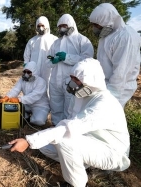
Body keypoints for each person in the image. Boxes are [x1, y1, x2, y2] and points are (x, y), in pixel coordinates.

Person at [9, 58, 130, 187]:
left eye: (76, 79)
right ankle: (81, 163)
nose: (72, 83)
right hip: (90, 142)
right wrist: (38, 140)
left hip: (112, 152)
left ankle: (76, 184)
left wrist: (29, 141)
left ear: (91, 80)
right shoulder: (84, 97)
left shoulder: (104, 103)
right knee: (45, 145)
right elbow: (70, 121)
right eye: (72, 78)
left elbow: (69, 128)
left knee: (64, 140)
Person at [89, 3, 141, 108]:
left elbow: (121, 73)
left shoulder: (126, 37)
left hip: (118, 89)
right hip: (105, 85)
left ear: (108, 21)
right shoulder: (106, 35)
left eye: (97, 25)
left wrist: (109, 96)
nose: (95, 28)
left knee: (109, 118)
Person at [47, 14, 94, 126]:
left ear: (71, 25)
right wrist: (53, 61)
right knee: (55, 105)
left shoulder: (82, 40)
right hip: (55, 79)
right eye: (59, 26)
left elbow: (87, 59)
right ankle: (55, 127)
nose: (61, 28)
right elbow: (48, 60)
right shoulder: (56, 43)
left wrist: (67, 57)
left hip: (71, 80)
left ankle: (67, 130)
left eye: (64, 25)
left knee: (70, 106)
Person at [0, 61, 49, 126]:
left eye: (29, 72)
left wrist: (19, 99)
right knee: (13, 110)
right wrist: (6, 97)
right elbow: (15, 90)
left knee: (38, 121)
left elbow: (34, 96)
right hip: (27, 104)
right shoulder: (22, 80)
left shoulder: (41, 82)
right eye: (24, 72)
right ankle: (26, 116)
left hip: (40, 106)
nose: (26, 74)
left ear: (34, 72)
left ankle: (37, 116)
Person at [23, 16, 58, 84]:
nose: (40, 28)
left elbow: (57, 53)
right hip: (34, 69)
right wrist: (26, 64)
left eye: (42, 25)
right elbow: (27, 55)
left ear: (47, 25)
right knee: (33, 86)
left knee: (48, 85)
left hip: (48, 69)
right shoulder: (32, 41)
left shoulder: (54, 39)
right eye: (38, 26)